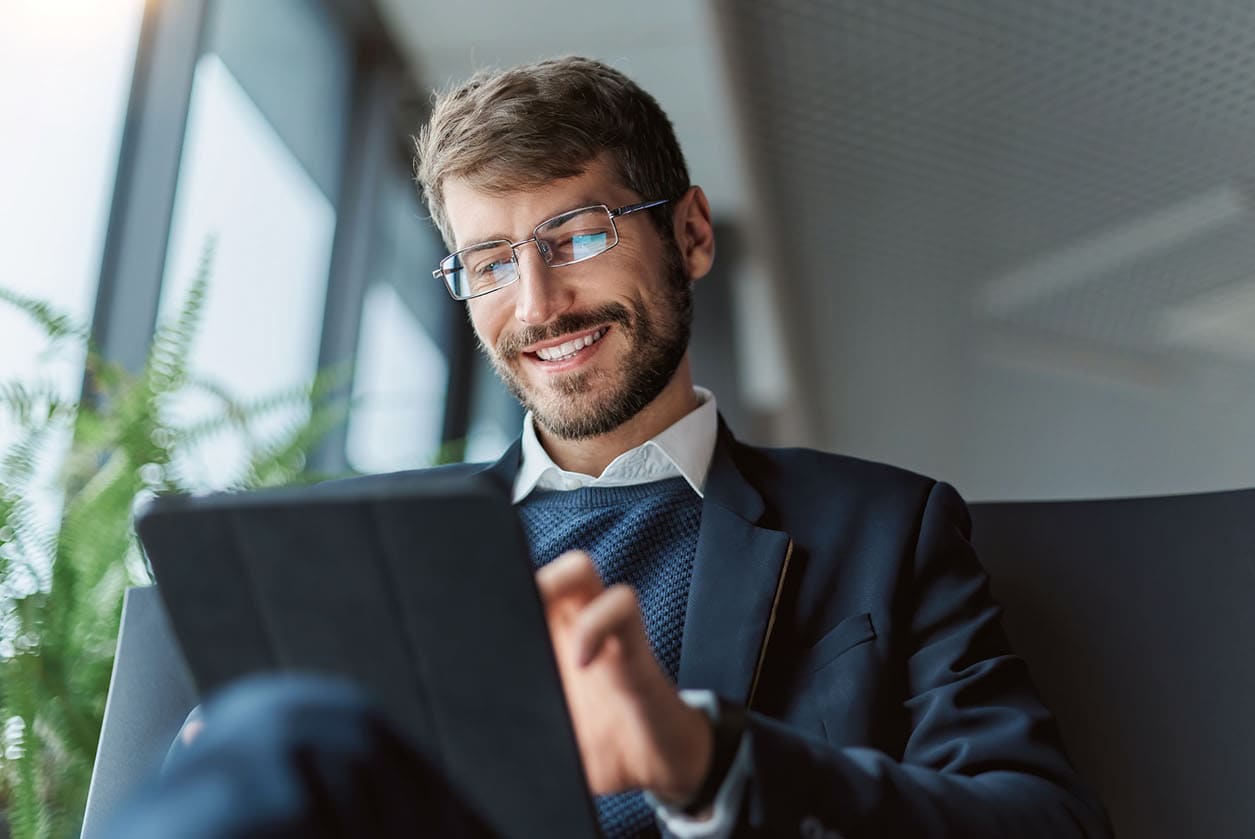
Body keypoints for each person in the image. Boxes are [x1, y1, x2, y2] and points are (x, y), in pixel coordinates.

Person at [110, 56, 1112, 838]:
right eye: (490, 262)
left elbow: (1043, 823)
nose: (538, 303)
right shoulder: (373, 550)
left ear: (690, 236)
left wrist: (703, 756)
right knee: (265, 731)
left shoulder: (883, 531)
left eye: (577, 235)